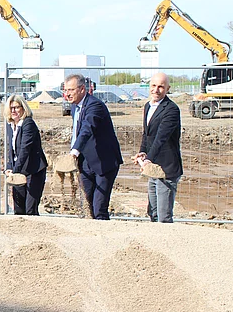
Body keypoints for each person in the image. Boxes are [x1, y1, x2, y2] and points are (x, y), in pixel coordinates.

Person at [65, 73, 123, 220]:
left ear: (82, 89)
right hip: (85, 162)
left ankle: (103, 232)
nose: (67, 94)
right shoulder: (74, 107)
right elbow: (77, 131)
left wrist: (74, 151)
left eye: (71, 90)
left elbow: (87, 128)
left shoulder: (95, 106)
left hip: (104, 162)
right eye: (65, 90)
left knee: (99, 208)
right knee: (87, 205)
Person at [133, 72, 183, 223]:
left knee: (163, 216)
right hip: (153, 168)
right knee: (153, 213)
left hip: (166, 169)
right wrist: (142, 152)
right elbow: (147, 134)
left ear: (168, 88)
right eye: (153, 85)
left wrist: (148, 159)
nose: (156, 90)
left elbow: (161, 137)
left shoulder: (171, 109)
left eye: (161, 86)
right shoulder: (148, 106)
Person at [4, 94, 48, 215]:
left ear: (23, 108)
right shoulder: (10, 125)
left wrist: (15, 171)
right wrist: (9, 167)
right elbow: (11, 150)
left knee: (30, 210)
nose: (14, 111)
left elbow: (25, 149)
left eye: (17, 107)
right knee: (18, 209)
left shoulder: (28, 124)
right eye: (11, 108)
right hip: (19, 170)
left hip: (33, 171)